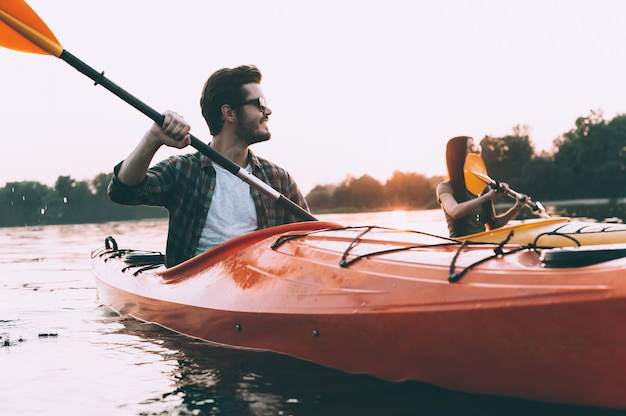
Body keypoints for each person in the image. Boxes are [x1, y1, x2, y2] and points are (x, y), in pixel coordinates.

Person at [108, 64, 310, 267]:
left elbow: (311, 239)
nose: (268, 111)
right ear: (229, 113)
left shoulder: (277, 179)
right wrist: (153, 139)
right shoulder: (184, 171)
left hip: (260, 287)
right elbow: (124, 192)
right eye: (260, 103)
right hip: (194, 292)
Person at [436, 136, 526, 238]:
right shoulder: (445, 187)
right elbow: (455, 211)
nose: (476, 153)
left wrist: (517, 206)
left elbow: (493, 225)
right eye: (472, 148)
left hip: (482, 244)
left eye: (477, 148)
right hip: (460, 246)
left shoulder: (483, 187)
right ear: (458, 154)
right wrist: (487, 197)